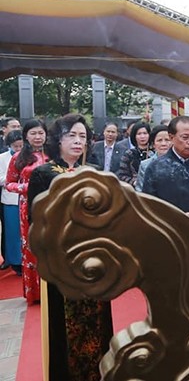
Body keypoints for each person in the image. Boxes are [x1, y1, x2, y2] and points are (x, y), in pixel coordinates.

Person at [27, 114, 113, 381]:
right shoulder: (43, 174)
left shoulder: (96, 172)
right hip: (62, 261)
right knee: (65, 325)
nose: (78, 141)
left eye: (83, 137)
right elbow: (36, 220)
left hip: (94, 257)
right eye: (71, 136)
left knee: (98, 319)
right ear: (58, 140)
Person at [142, 116, 189, 238]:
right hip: (170, 235)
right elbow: (148, 205)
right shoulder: (156, 167)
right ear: (171, 137)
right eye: (185, 137)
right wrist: (177, 217)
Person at [4, 120, 49, 302]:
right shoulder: (18, 158)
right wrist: (28, 187)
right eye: (33, 133)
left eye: (40, 133)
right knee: (31, 249)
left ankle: (53, 290)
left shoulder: (53, 155)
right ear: (26, 136)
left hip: (52, 205)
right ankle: (35, 293)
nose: (37, 137)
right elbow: (9, 184)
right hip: (28, 207)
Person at [0, 130, 23, 274]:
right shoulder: (2, 158)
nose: (19, 149)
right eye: (16, 146)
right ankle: (14, 261)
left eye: (21, 146)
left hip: (27, 198)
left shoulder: (30, 156)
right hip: (10, 199)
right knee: (12, 232)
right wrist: (14, 179)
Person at [135, 125, 171, 192]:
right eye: (159, 140)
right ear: (153, 144)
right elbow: (140, 191)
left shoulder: (180, 162)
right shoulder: (145, 165)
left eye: (167, 140)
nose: (163, 144)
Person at [117, 121, 152, 187]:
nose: (142, 136)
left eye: (145, 133)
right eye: (139, 134)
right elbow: (121, 175)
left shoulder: (154, 153)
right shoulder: (129, 154)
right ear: (134, 136)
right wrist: (134, 182)